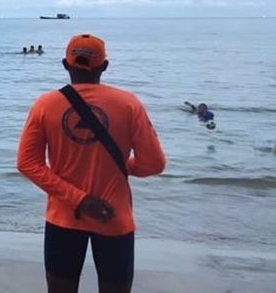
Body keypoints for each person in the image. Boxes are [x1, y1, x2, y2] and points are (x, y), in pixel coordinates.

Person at [17, 34, 165, 293]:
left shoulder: (45, 104)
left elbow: (27, 163)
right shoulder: (129, 104)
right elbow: (153, 164)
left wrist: (79, 199)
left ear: (65, 64)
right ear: (104, 66)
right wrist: (123, 164)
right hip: (113, 217)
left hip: (64, 217)